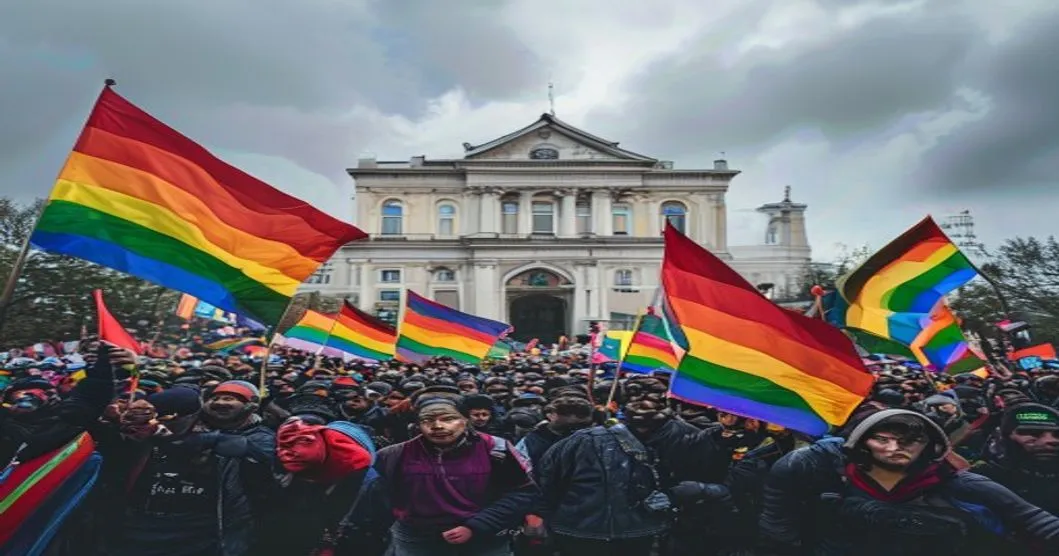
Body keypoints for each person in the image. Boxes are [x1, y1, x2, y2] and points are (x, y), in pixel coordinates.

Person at [758, 408, 1059, 555]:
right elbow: (779, 530)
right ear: (861, 443)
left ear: (930, 446)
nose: (894, 448)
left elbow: (1036, 521)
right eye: (882, 439)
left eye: (910, 440)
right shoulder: (821, 475)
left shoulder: (962, 484)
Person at [374, 397, 535, 556]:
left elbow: (522, 492)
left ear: (465, 420)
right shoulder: (394, 455)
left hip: (485, 539)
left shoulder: (496, 449)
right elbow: (377, 499)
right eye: (427, 420)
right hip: (417, 540)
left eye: (448, 419)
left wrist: (477, 525)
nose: (437, 426)